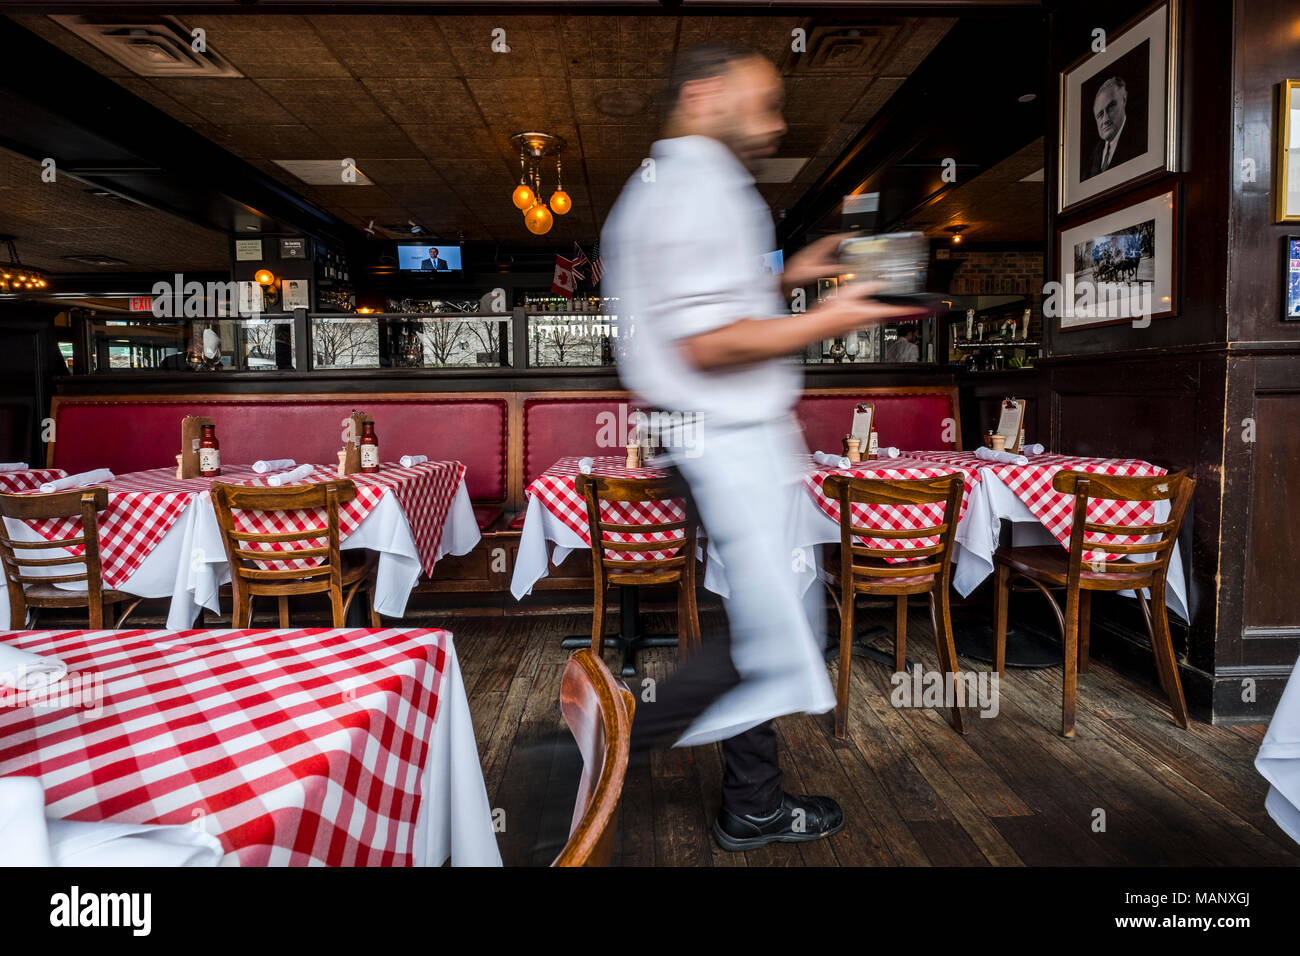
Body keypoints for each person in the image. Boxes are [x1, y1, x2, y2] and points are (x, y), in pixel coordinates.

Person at [601, 43, 925, 851]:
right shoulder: (691, 189)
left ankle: (751, 798)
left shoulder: (679, 184)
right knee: (771, 640)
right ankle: (610, 744)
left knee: (764, 627)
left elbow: (708, 302)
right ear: (707, 94)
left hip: (720, 437)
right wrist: (833, 318)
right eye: (766, 101)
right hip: (727, 440)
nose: (778, 122)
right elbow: (704, 343)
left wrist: (789, 278)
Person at [1084, 76, 1140, 179]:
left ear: (1124, 100)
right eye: (1100, 114)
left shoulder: (1139, 140)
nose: (1105, 119)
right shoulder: (1094, 155)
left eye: (1110, 107)